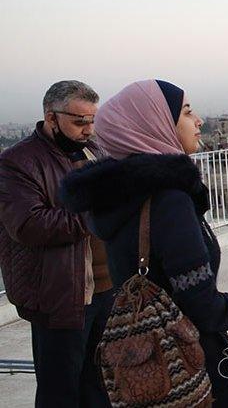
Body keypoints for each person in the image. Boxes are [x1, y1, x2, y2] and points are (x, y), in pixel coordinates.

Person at [61, 80, 228, 408]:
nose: (199, 120)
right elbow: (199, 302)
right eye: (187, 113)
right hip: (188, 363)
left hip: (145, 366)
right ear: (154, 124)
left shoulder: (118, 197)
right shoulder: (169, 200)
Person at [0, 80, 113, 407]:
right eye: (80, 121)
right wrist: (97, 212)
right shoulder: (18, 162)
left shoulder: (94, 150)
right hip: (61, 295)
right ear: (51, 118)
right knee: (61, 392)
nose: (88, 129)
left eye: (92, 120)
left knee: (99, 388)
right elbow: (29, 225)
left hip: (106, 291)